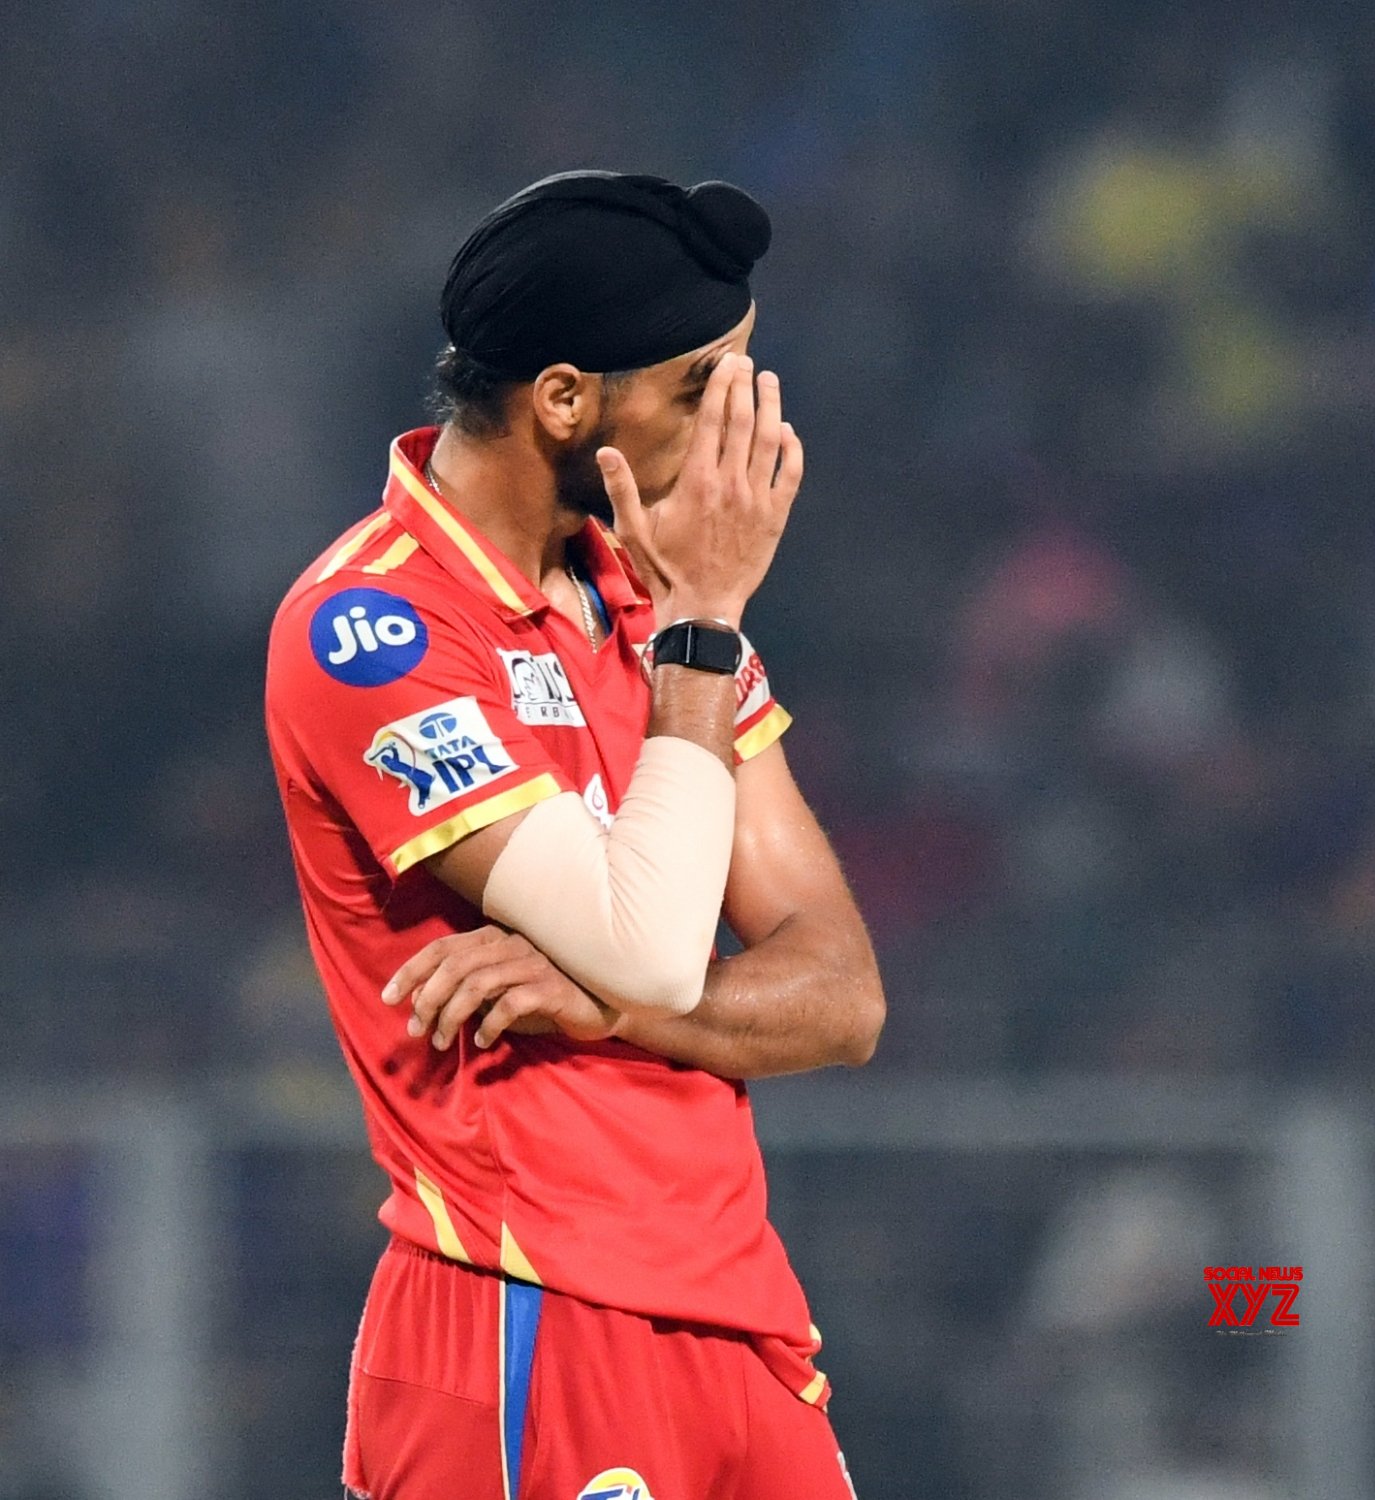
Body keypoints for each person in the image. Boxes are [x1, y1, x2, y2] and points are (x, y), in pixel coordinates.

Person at [265, 170, 884, 1500]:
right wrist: (707, 622)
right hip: (525, 1307)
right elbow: (658, 949)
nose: (740, 428)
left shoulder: (652, 607)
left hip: (744, 1318)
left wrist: (602, 1009)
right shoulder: (373, 634)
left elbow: (841, 994)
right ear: (563, 400)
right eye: (700, 385)